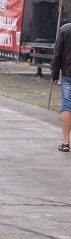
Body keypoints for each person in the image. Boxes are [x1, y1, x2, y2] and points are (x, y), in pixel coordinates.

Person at [52, 21, 71, 152]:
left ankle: (65, 143)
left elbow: (57, 54)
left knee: (67, 106)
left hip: (68, 73)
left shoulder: (65, 29)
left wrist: (54, 74)